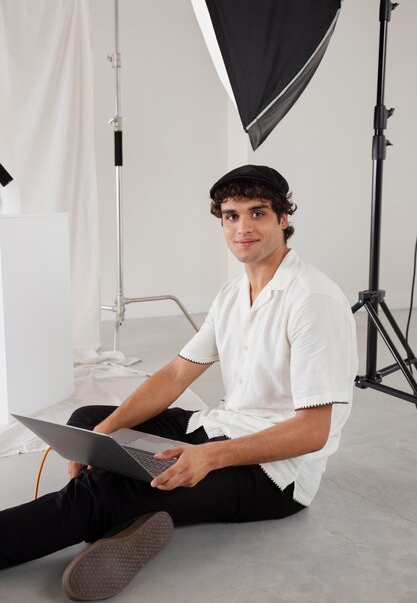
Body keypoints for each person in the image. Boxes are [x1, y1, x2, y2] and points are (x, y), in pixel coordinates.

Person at [0, 165, 357, 601]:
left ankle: (102, 507)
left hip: (273, 476)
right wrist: (104, 434)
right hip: (219, 426)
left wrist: (208, 457)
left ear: (283, 219)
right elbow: (175, 374)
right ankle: (122, 515)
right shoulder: (231, 296)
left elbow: (313, 431)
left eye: (258, 213)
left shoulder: (312, 301)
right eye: (230, 216)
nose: (242, 227)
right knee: (89, 422)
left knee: (109, 488)